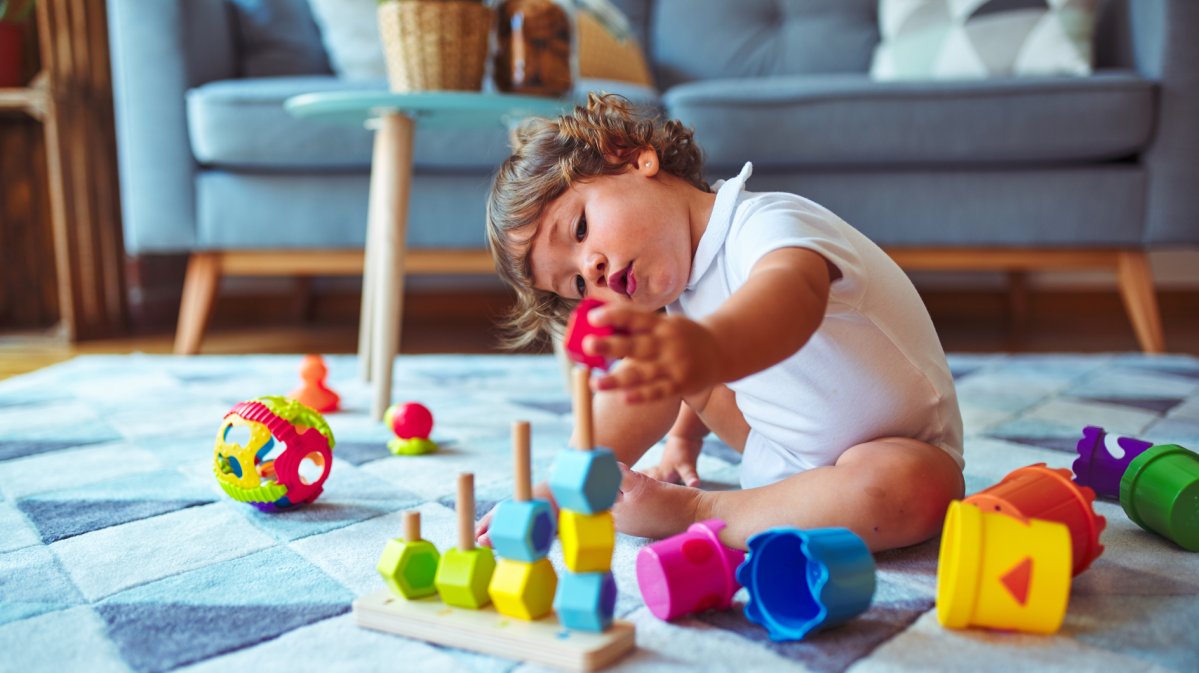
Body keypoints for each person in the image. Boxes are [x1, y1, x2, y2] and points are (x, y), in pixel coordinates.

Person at [477, 93, 964, 552]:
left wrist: (704, 349)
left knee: (911, 489)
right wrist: (676, 439)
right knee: (656, 368)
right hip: (781, 459)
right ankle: (569, 482)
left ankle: (700, 512)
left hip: (899, 449)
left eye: (580, 229)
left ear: (633, 158)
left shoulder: (764, 222)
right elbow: (675, 379)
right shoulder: (682, 301)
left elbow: (793, 297)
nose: (591, 271)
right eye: (578, 286)